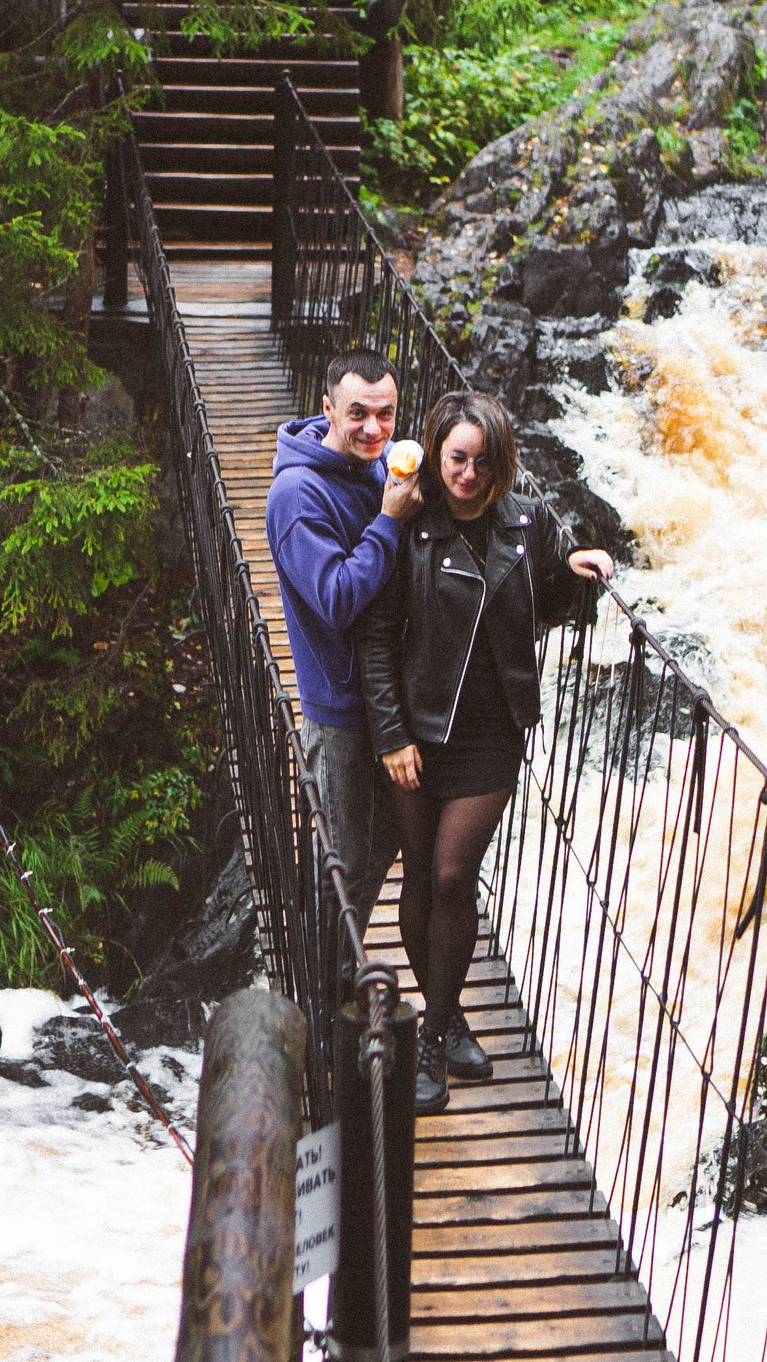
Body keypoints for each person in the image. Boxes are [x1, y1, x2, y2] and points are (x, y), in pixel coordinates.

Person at [355, 390, 614, 1113]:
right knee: (417, 879)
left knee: (449, 874)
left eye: (481, 460)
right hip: (415, 731)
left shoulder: (525, 524)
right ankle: (451, 1014)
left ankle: (432, 1038)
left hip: (490, 731)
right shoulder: (409, 526)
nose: (467, 473)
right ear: (437, 457)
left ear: (501, 463)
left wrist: (575, 565)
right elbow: (375, 640)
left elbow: (546, 599)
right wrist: (391, 736)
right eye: (456, 458)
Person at [266, 347, 421, 937]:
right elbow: (335, 599)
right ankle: (319, 1004)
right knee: (345, 871)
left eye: (386, 415)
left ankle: (330, 970)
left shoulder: (379, 466)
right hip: (339, 713)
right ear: (328, 408)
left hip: (388, 703)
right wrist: (388, 520)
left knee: (382, 849)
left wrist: (559, 557)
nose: (374, 429)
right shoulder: (297, 495)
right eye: (358, 414)